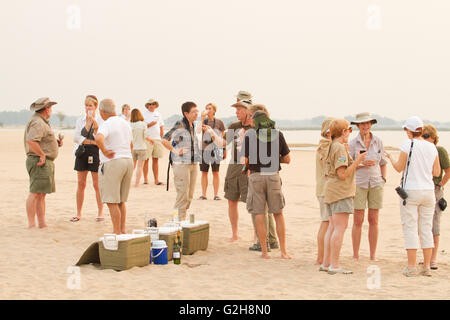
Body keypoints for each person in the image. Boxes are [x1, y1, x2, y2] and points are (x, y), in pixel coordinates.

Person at [205, 103, 279, 249]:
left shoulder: (258, 127)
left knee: (258, 205)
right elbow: (223, 143)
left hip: (253, 169)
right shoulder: (234, 126)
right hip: (236, 167)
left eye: (240, 109)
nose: (237, 112)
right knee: (233, 199)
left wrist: (250, 166)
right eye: (236, 109)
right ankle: (238, 234)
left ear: (249, 112)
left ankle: (262, 239)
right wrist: (212, 133)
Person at [385, 116, 440, 277]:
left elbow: (398, 167)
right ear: (421, 131)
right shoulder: (432, 147)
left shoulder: (407, 145)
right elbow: (436, 172)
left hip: (411, 191)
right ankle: (427, 267)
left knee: (410, 227)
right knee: (426, 228)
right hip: (428, 191)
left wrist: (390, 158)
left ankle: (411, 266)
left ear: (409, 131)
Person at [242, 106, 291, 259]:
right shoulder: (278, 134)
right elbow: (288, 159)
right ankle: (283, 252)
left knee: (259, 213)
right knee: (278, 213)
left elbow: (246, 161)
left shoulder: (249, 136)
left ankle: (264, 251)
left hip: (256, 176)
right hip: (273, 176)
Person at [321, 119, 366, 274]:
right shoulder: (339, 148)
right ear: (343, 132)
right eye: (349, 131)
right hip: (340, 192)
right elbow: (342, 173)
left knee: (332, 227)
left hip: (331, 190)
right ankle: (334, 264)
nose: (349, 134)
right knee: (339, 228)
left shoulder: (332, 146)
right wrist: (358, 161)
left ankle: (327, 263)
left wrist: (355, 162)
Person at [348, 113, 387, 261]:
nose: (365, 126)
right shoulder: (352, 144)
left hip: (376, 183)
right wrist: (361, 163)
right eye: (362, 124)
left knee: (374, 220)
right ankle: (356, 255)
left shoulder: (378, 141)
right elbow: (347, 166)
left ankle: (372, 255)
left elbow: (383, 162)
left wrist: (383, 179)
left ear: (371, 124)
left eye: (368, 123)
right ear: (358, 126)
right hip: (359, 183)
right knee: (358, 220)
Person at [95, 99, 134, 235]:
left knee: (112, 201)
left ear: (101, 111)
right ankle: (122, 230)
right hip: (128, 160)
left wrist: (105, 151)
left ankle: (117, 232)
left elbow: (98, 139)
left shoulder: (106, 123)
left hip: (113, 162)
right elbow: (131, 144)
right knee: (121, 201)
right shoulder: (125, 123)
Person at [24, 97, 63, 229]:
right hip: (39, 161)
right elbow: (31, 141)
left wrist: (55, 144)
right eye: (50, 107)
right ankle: (32, 224)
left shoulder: (40, 121)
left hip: (43, 160)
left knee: (41, 194)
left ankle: (41, 223)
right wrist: (41, 154)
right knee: (35, 192)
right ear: (46, 109)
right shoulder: (38, 122)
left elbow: (40, 140)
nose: (51, 110)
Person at [162, 101, 201, 220]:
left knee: (189, 197)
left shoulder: (192, 124)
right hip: (181, 164)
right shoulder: (180, 124)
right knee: (182, 196)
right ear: (186, 113)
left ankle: (180, 220)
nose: (196, 114)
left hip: (193, 163)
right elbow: (164, 140)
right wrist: (175, 151)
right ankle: (177, 222)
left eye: (197, 111)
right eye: (194, 112)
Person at [71, 95, 104, 222]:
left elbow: (99, 138)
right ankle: (78, 213)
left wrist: (94, 125)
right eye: (86, 105)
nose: (88, 108)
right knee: (81, 183)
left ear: (96, 107)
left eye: (90, 105)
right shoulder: (80, 120)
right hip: (82, 152)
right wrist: (88, 124)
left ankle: (100, 212)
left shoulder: (101, 120)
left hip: (96, 154)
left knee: (97, 184)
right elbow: (77, 137)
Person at [422, 124, 449, 270]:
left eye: (426, 136)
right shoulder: (420, 151)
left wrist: (440, 185)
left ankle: (433, 259)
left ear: (433, 138)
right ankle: (426, 256)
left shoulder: (439, 151)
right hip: (422, 189)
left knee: (434, 224)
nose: (424, 139)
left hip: (435, 190)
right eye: (422, 136)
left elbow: (448, 170)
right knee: (423, 224)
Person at [315, 118, 334, 266]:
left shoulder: (328, 145)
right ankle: (320, 258)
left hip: (325, 189)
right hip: (325, 190)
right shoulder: (325, 146)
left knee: (327, 222)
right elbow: (328, 168)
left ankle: (323, 257)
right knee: (326, 222)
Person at [198, 103, 225, 200]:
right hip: (204, 149)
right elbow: (197, 131)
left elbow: (223, 137)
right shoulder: (203, 121)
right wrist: (201, 118)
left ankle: (216, 194)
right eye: (206, 108)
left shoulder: (219, 122)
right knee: (204, 172)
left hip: (216, 150)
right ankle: (204, 194)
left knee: (215, 172)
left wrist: (224, 150)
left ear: (214, 110)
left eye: (210, 108)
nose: (207, 110)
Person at [130, 108, 155, 187]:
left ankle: (128, 181)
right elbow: (145, 136)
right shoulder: (143, 124)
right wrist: (151, 140)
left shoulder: (131, 125)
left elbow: (129, 137)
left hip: (134, 148)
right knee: (140, 167)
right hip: (142, 148)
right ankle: (136, 183)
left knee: (132, 167)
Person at [143, 99, 165, 185]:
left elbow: (161, 125)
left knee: (156, 159)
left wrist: (162, 134)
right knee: (146, 159)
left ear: (155, 105)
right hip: (147, 139)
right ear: (147, 105)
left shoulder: (158, 114)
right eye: (150, 104)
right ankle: (145, 179)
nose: (151, 105)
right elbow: (142, 126)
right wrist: (149, 125)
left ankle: (156, 179)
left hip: (157, 139)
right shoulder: (144, 114)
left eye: (153, 104)